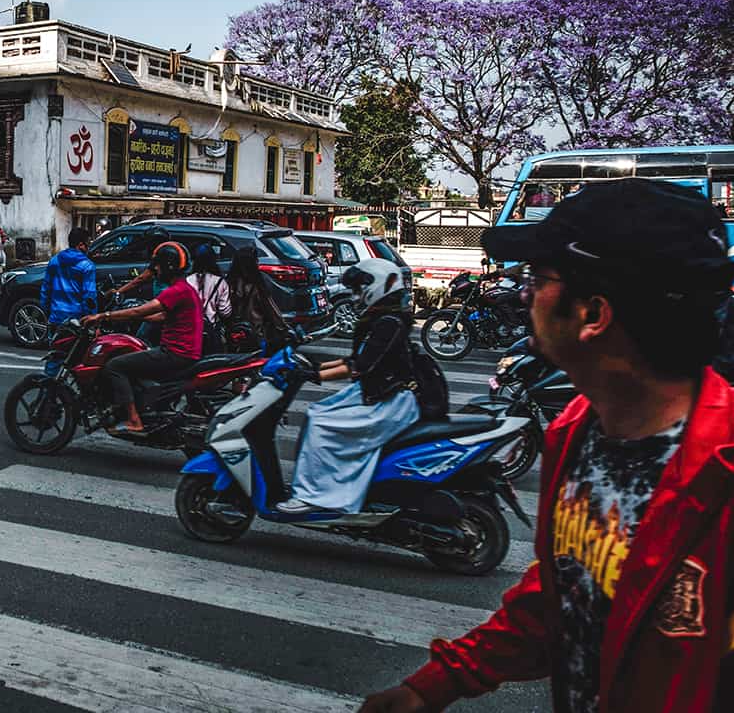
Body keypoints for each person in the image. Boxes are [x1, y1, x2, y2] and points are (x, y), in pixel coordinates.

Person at [359, 179, 734, 713]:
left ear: (593, 314)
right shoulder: (579, 427)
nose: (525, 294)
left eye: (539, 277)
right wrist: (434, 686)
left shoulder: (720, 473)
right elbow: (567, 591)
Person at [277, 257, 420, 517]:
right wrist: (313, 369)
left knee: (320, 425)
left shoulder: (389, 322)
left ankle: (313, 496)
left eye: (358, 289)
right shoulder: (384, 318)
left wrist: (314, 374)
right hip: (378, 395)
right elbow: (353, 361)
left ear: (379, 284)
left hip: (390, 403)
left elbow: (358, 367)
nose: (356, 296)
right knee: (316, 413)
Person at [82, 241, 203, 434]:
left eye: (157, 265)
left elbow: (140, 310)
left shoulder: (176, 291)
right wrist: (132, 314)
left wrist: (103, 316)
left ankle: (134, 420)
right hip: (185, 353)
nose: (155, 269)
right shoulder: (186, 289)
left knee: (114, 366)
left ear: (168, 266)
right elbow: (162, 316)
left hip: (173, 354)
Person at [110, 225, 172, 344]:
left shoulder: (160, 256)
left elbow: (142, 278)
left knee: (142, 336)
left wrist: (120, 291)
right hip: (162, 303)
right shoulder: (169, 255)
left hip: (161, 303)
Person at [226, 245, 290, 351]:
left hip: (234, 334)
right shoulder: (257, 285)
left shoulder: (228, 283)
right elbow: (271, 310)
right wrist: (284, 328)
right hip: (255, 334)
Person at [41, 227, 97, 330]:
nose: (89, 247)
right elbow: (89, 297)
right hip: (76, 321)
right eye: (88, 244)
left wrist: (48, 312)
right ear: (80, 245)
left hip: (56, 318)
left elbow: (46, 289)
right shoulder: (87, 266)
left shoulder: (54, 260)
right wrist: (92, 319)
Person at [189, 244, 232, 354]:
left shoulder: (187, 281)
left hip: (190, 332)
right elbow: (225, 312)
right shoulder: (220, 282)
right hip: (211, 332)